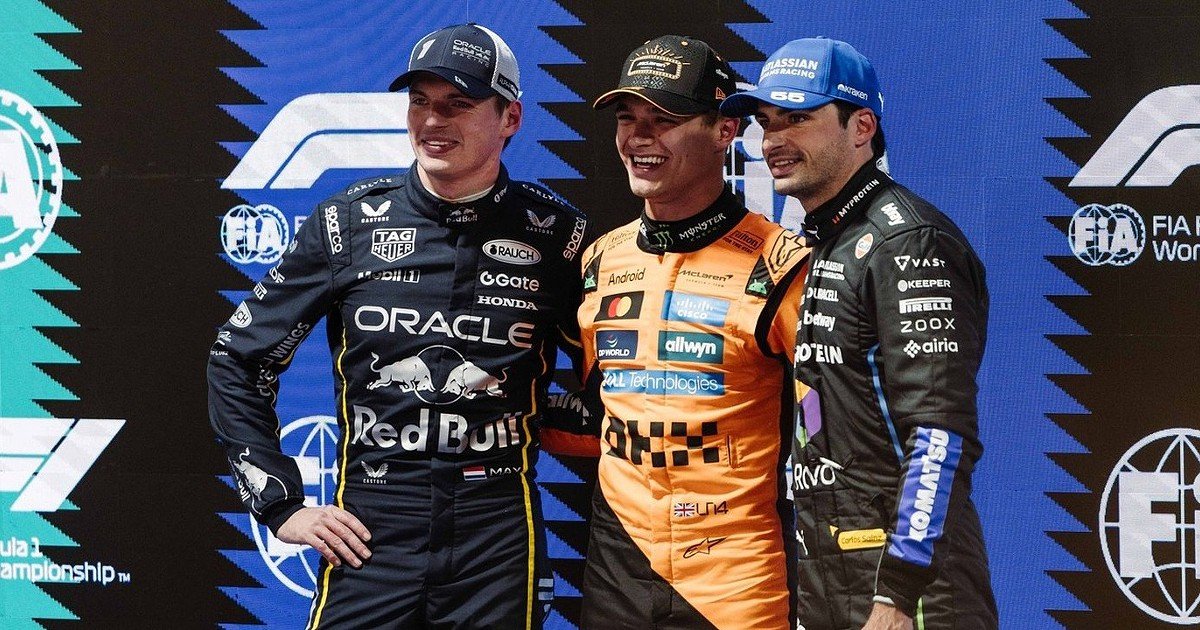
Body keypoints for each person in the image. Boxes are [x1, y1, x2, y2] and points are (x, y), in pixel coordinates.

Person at [207, 23, 592, 629]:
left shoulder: (558, 237)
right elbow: (238, 358)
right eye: (420, 102)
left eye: (458, 104)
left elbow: (617, 372)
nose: (433, 121)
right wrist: (278, 503)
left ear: (510, 118)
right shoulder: (347, 223)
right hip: (370, 531)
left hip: (496, 534)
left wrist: (559, 414)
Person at [720, 37, 999, 630]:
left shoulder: (907, 243)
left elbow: (940, 434)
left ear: (861, 127)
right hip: (833, 580)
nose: (773, 141)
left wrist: (897, 596)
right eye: (767, 122)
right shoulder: (832, 239)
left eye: (797, 118)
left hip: (909, 596)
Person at [545, 34, 810, 630]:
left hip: (737, 581)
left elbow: (832, 426)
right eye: (627, 118)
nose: (639, 137)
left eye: (663, 120)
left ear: (725, 131)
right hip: (618, 571)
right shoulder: (600, 260)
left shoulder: (783, 264)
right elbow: (600, 413)